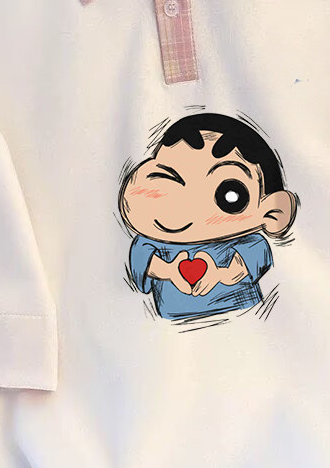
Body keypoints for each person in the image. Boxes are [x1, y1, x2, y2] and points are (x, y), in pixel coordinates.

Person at [119, 113, 298, 322]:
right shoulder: (150, 242)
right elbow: (144, 263)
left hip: (243, 319)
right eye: (164, 178)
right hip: (169, 328)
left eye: (230, 195)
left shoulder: (250, 242)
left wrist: (219, 274)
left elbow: (240, 269)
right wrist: (169, 271)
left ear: (273, 213)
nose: (188, 204)